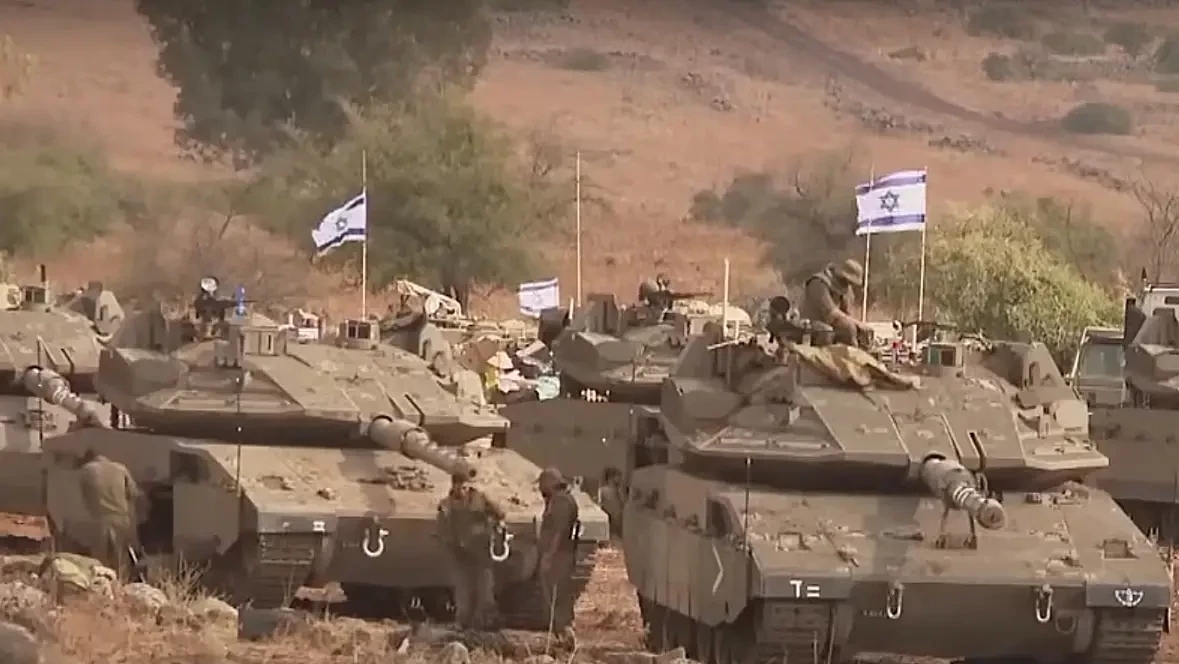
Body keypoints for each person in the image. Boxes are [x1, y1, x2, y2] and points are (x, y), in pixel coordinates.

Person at [436, 473, 507, 631]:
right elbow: (442, 528)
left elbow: (500, 512)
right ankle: (463, 622)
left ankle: (485, 622)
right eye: (459, 486)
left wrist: (496, 524)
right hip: (460, 553)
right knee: (463, 590)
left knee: (485, 588)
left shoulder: (480, 499)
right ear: (453, 485)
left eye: (465, 486)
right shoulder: (446, 505)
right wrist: (448, 542)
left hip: (480, 550)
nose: (462, 490)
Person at [76, 450, 141, 580]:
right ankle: (123, 582)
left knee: (101, 559)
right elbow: (134, 494)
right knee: (122, 557)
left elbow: (84, 494)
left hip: (100, 519)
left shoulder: (87, 470)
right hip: (122, 518)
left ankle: (105, 585)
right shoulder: (121, 468)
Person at [537, 467, 580, 645]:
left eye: (542, 484)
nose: (540, 488)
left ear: (549, 483)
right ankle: (560, 632)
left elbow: (558, 532)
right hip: (560, 554)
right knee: (556, 595)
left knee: (557, 595)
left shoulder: (561, 502)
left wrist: (549, 555)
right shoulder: (559, 499)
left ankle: (564, 634)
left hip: (559, 556)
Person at [800, 259, 872, 348]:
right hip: (812, 324)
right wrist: (856, 323)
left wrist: (860, 327)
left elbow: (847, 313)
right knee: (848, 328)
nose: (849, 285)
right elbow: (830, 312)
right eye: (847, 281)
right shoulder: (818, 283)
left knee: (858, 331)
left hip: (834, 323)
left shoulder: (845, 289)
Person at [597, 468, 625, 540]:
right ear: (611, 477)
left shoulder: (617, 489)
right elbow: (600, 503)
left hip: (616, 514)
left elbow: (622, 502)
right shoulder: (604, 490)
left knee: (616, 533)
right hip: (610, 514)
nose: (620, 479)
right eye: (618, 476)